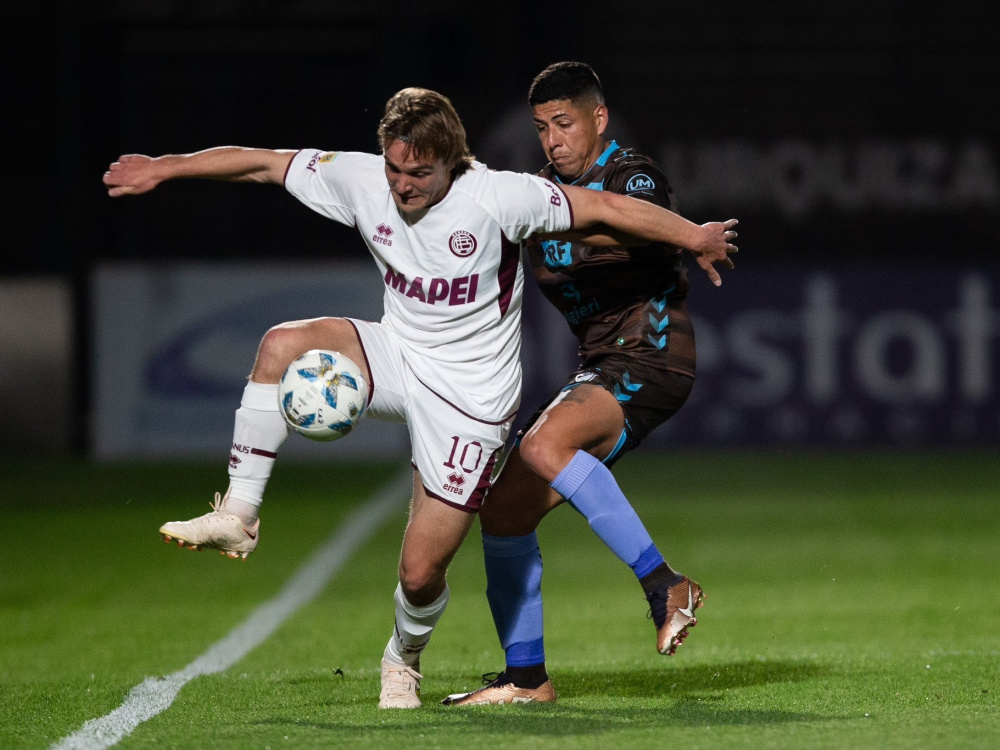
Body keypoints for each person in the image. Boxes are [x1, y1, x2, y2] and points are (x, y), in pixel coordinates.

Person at [103, 86, 737, 710]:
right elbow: (264, 162)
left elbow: (609, 209)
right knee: (280, 345)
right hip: (398, 353)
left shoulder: (499, 196)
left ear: (452, 162)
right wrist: (166, 167)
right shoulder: (364, 180)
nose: (402, 186)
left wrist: (694, 235)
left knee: (420, 573)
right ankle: (239, 516)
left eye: (418, 174)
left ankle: (401, 660)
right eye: (395, 169)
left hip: (472, 401)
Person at [442, 63, 734, 706]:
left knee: (546, 447)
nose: (553, 140)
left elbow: (633, 220)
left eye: (565, 123)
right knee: (506, 510)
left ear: (598, 119)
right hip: (601, 365)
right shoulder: (542, 194)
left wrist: (555, 222)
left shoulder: (631, 175)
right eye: (542, 127)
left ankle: (666, 585)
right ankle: (527, 679)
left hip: (651, 356)